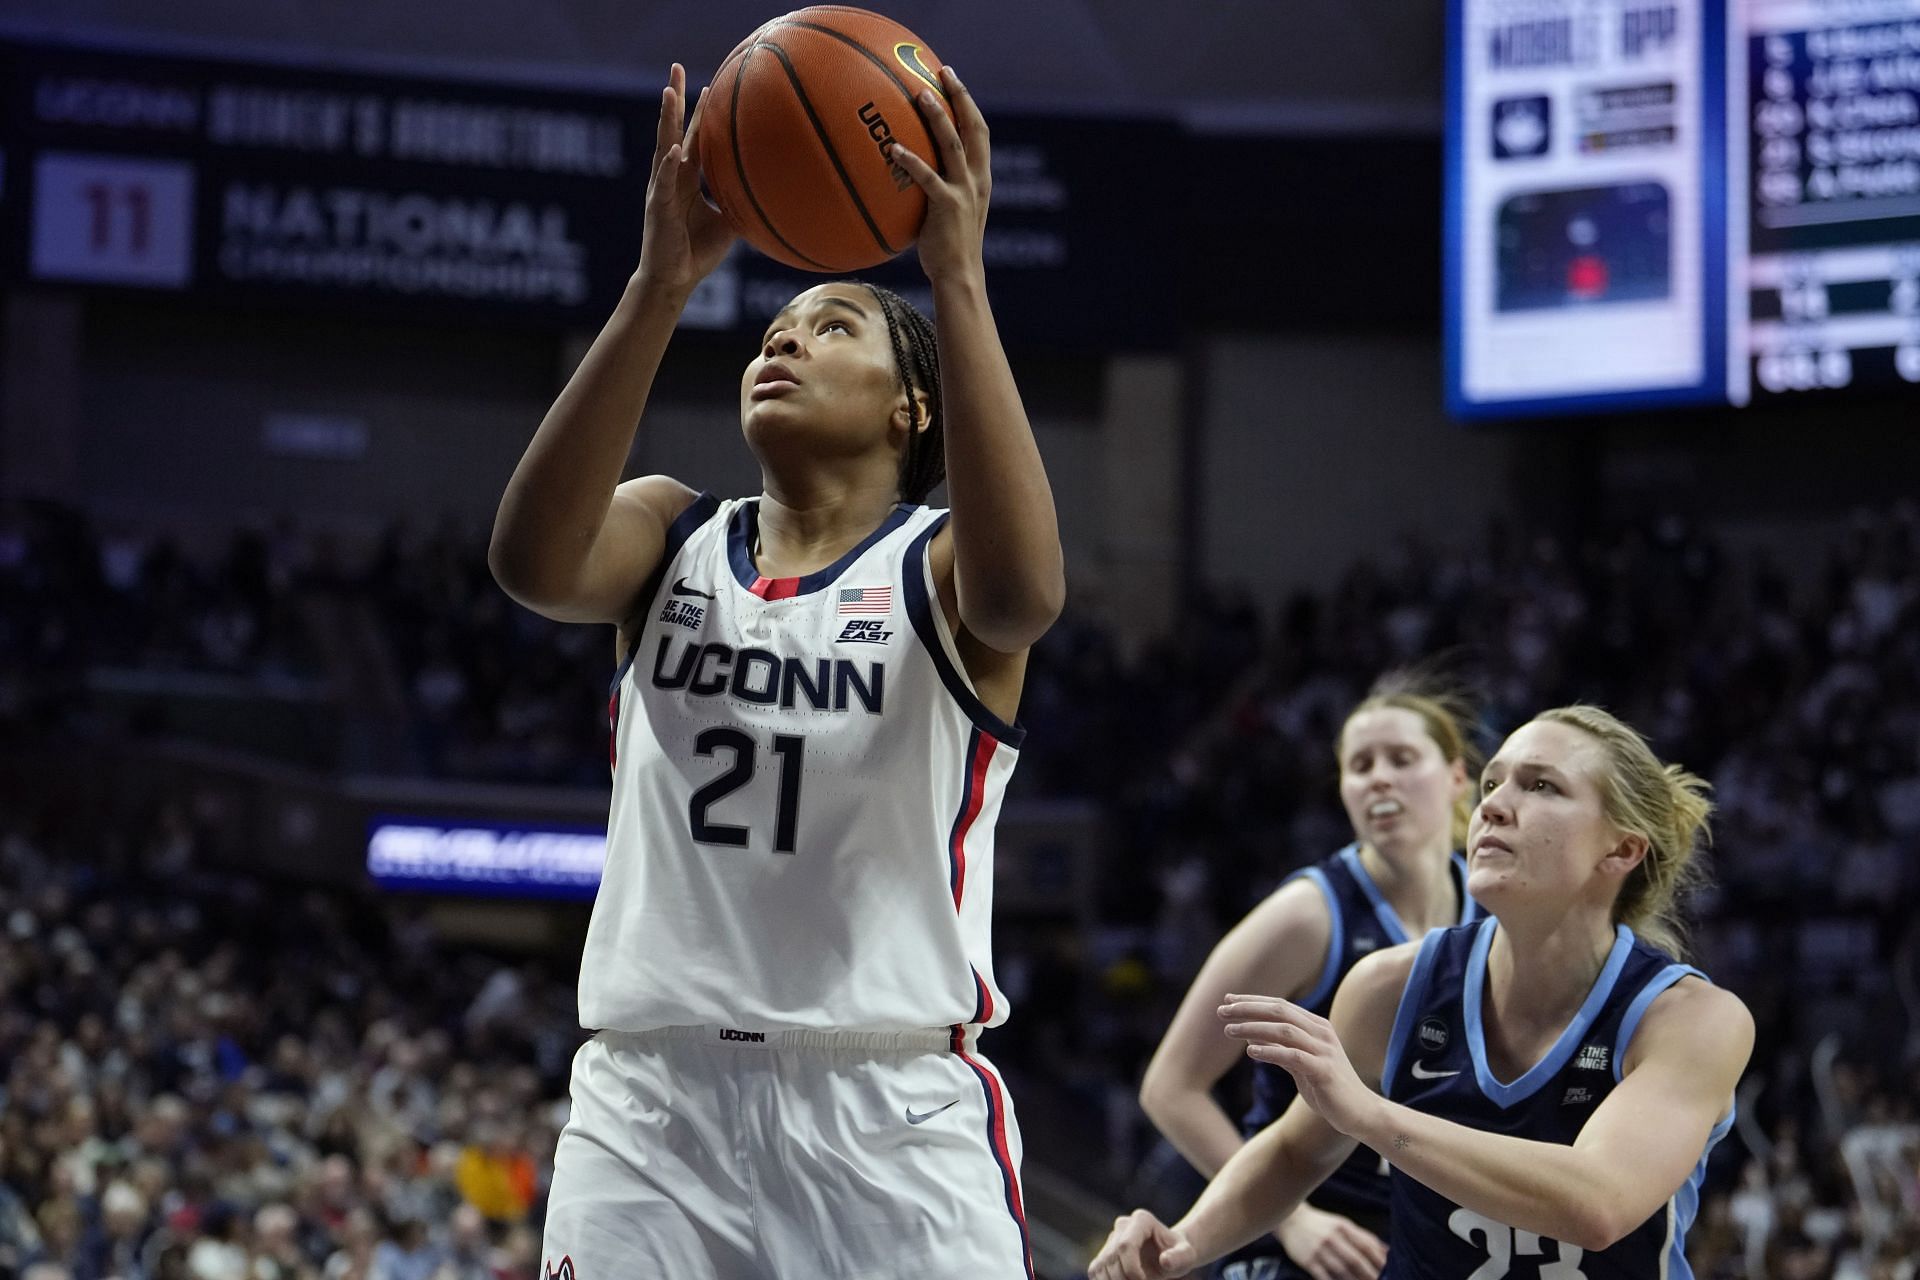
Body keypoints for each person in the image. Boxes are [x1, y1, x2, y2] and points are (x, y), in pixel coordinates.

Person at [487, 60, 1062, 1280]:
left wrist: (955, 275)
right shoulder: (669, 528)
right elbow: (533, 563)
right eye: (773, 329)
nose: (787, 340)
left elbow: (1029, 596)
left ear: (911, 406)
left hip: (884, 1100)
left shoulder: (944, 564)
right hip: (652, 1101)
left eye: (833, 325)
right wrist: (657, 287)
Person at [1091, 705, 1754, 1280]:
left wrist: (1373, 1118)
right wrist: (1184, 1243)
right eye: (1492, 781)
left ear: (1621, 850)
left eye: (1541, 785)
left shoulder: (1690, 1019)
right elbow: (1297, 1150)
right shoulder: (1389, 985)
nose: (1493, 803)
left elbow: (1599, 1202)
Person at [1138, 677, 1482, 1280]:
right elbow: (1170, 1087)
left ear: (1457, 777)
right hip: (1313, 1237)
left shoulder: (1494, 910)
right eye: (1360, 765)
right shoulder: (1308, 915)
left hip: (1441, 1235)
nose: (1379, 777)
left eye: (1402, 759)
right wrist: (1289, 1217)